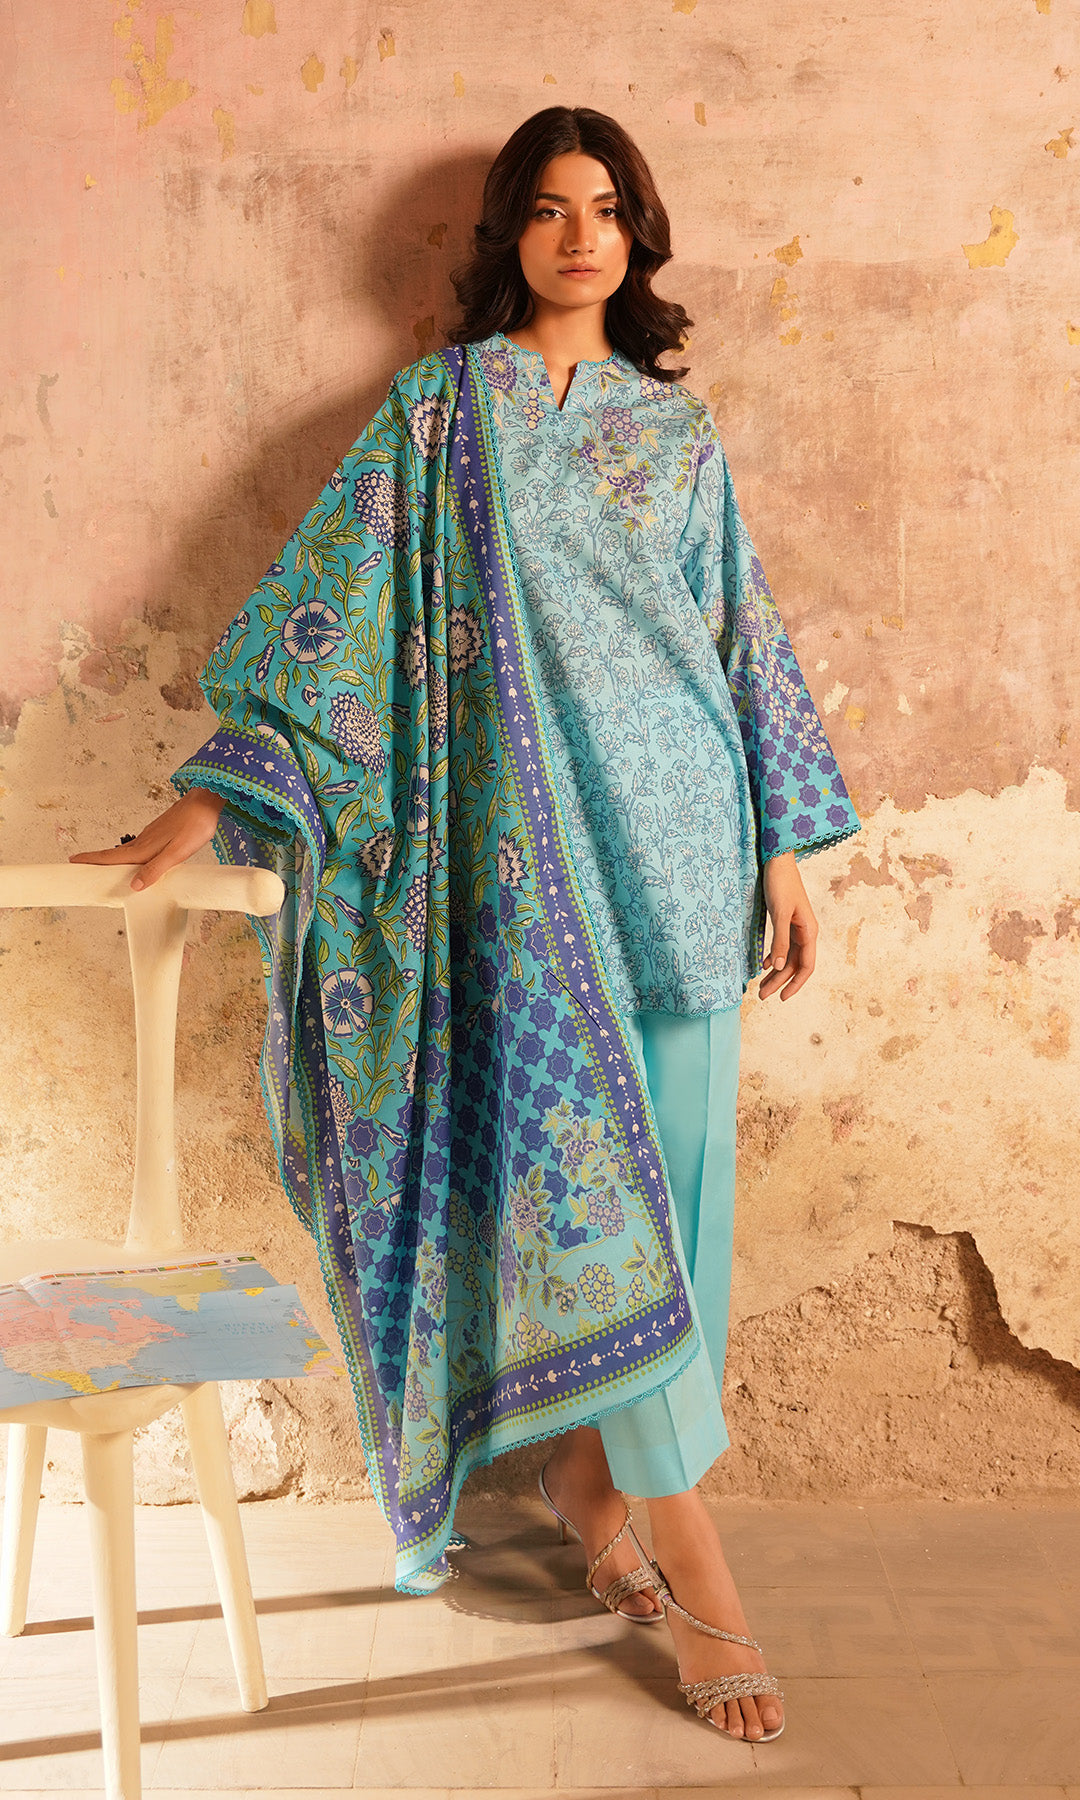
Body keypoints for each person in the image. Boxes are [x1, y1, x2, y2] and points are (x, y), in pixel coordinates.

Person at [73, 106, 859, 1744]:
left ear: (638, 235)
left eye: (607, 210)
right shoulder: (438, 415)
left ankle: (594, 1486)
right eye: (551, 210)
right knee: (589, 1207)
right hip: (523, 876)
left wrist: (788, 848)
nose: (581, 237)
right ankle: (693, 1554)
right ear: (511, 233)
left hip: (688, 847)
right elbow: (333, 617)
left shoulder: (677, 430)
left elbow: (741, 632)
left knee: (681, 1213)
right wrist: (216, 795)